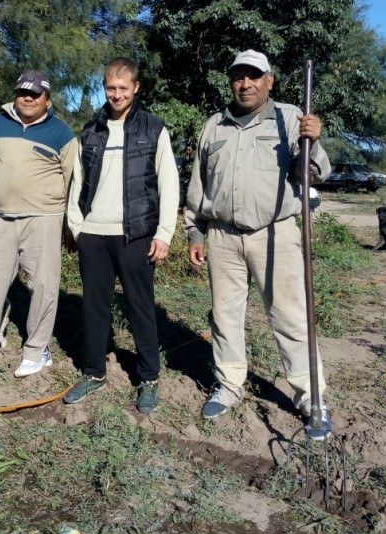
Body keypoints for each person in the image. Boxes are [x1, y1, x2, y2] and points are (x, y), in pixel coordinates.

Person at [184, 49, 333, 435]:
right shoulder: (214, 125)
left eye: (254, 76)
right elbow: (198, 186)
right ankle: (229, 384)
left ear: (270, 80)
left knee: (290, 318)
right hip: (222, 236)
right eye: (238, 76)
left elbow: (315, 173)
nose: (245, 84)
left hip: (275, 233)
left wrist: (312, 143)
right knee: (224, 316)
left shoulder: (290, 119)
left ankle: (310, 398)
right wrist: (195, 232)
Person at [64, 57, 179, 414]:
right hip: (94, 234)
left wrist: (164, 233)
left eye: (123, 88)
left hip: (135, 234)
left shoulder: (153, 129)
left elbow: (169, 183)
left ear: (136, 88)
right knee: (94, 306)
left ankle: (148, 378)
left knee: (139, 307)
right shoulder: (91, 129)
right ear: (105, 88)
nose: (116, 94)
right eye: (110, 88)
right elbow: (77, 180)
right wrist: (76, 227)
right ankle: (94, 371)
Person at [0, 70, 77, 378]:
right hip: (1, 218)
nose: (28, 97)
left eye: (35, 94)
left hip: (44, 219)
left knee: (43, 286)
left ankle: (37, 350)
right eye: (23, 92)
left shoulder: (62, 133)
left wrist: (68, 223)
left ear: (47, 99)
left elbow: (73, 179)